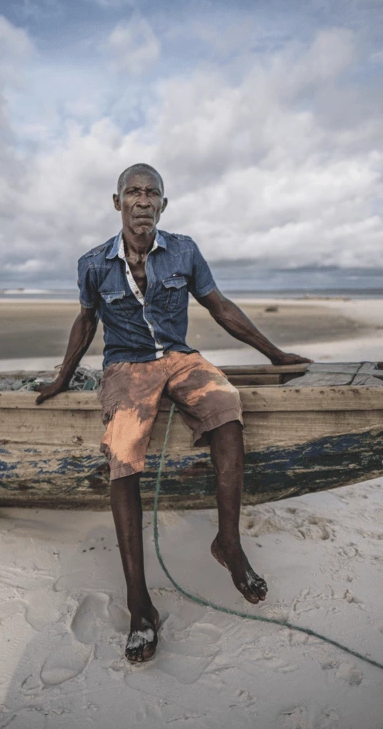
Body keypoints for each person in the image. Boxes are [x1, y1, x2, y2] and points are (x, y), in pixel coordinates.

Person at [35, 163, 312, 663]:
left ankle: (228, 544)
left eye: (152, 193)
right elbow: (85, 321)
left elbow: (220, 307)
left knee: (227, 405)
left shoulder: (184, 250)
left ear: (164, 204)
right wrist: (61, 377)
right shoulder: (93, 263)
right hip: (126, 366)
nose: (142, 201)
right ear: (116, 201)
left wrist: (275, 354)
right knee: (122, 452)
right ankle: (139, 603)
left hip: (180, 359)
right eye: (133, 192)